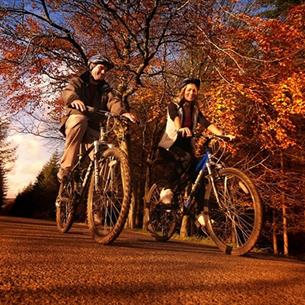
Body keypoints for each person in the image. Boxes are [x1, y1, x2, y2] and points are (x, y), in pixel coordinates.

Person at [57, 54, 137, 182]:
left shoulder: (105, 89)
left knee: (105, 151)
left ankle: (101, 189)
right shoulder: (78, 80)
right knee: (80, 120)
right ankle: (66, 168)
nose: (103, 72)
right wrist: (74, 99)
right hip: (75, 119)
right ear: (91, 66)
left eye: (105, 70)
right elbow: (68, 91)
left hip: (93, 127)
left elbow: (113, 102)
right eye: (101, 68)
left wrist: (122, 113)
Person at [156, 78, 234, 206]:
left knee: (199, 174)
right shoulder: (173, 105)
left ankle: (200, 213)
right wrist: (179, 128)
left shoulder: (195, 110)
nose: (191, 93)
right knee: (187, 158)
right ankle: (167, 189)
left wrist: (222, 135)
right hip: (171, 144)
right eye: (189, 90)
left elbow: (206, 123)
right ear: (183, 91)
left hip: (186, 145)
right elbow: (174, 116)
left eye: (194, 91)